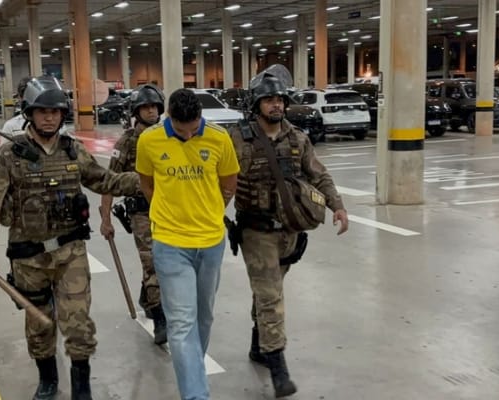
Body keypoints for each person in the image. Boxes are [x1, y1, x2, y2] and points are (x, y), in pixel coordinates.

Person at [0, 76, 139, 400]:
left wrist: (148, 180)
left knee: (78, 322)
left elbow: (106, 180)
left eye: (55, 111)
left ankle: (82, 386)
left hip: (70, 252)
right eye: (42, 111)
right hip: (28, 258)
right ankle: (47, 379)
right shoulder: (10, 155)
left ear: (62, 114)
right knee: (40, 325)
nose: (49, 117)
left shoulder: (73, 151)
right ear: (29, 113)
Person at [228, 69, 349, 398]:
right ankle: (278, 366)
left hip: (290, 231)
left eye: (280, 99)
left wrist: (337, 206)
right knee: (270, 295)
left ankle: (259, 345)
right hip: (256, 230)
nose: (276, 105)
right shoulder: (236, 138)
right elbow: (218, 180)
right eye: (269, 100)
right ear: (257, 104)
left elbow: (318, 175)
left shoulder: (297, 138)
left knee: (270, 289)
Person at [135, 88, 239, 400]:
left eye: (194, 129)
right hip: (170, 243)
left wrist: (209, 211)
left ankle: (193, 370)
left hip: (211, 242)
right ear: (169, 118)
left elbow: (229, 183)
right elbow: (146, 183)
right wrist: (168, 212)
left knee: (204, 316)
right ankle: (196, 394)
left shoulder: (219, 138)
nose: (189, 135)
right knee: (181, 323)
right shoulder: (149, 140)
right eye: (182, 131)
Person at [99, 84, 167, 345]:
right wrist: (105, 219)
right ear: (136, 112)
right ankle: (160, 319)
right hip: (142, 212)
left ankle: (147, 297)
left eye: (154, 107)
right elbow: (109, 181)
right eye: (145, 108)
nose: (151, 112)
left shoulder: (168, 135)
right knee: (153, 262)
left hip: (169, 211)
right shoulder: (127, 142)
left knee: (166, 261)